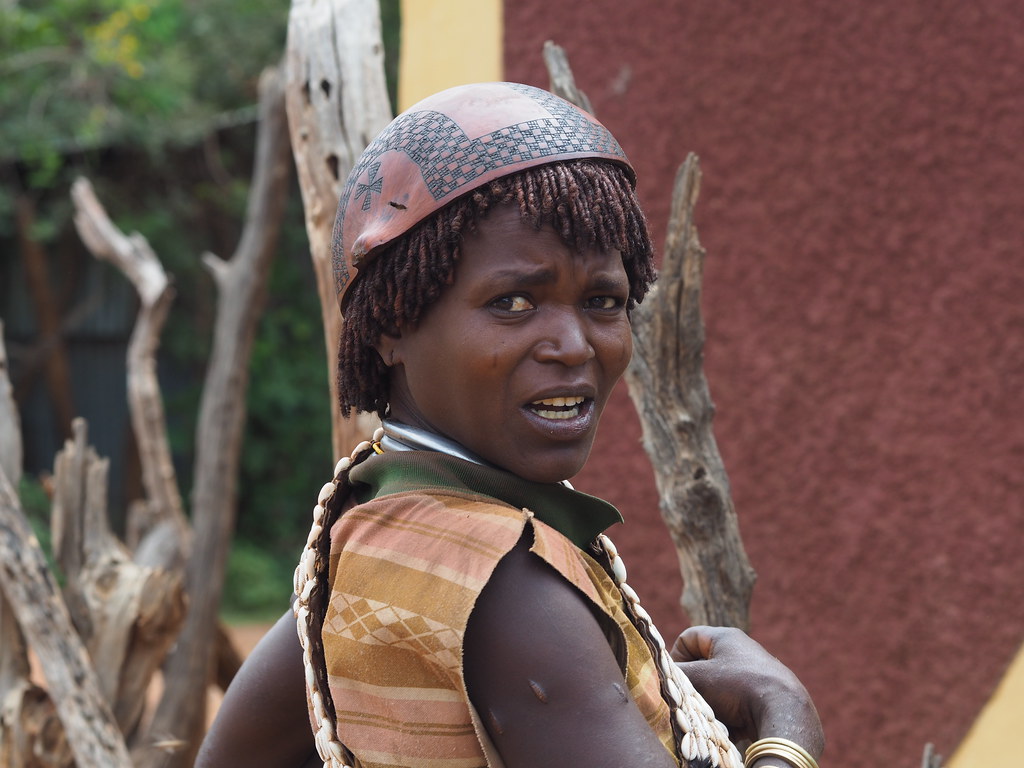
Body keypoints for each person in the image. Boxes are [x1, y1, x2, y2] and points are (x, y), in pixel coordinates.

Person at [198, 82, 824, 768]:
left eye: (602, 300)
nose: (576, 345)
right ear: (391, 327)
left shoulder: (379, 531)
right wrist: (784, 721)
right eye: (515, 301)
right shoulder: (505, 581)